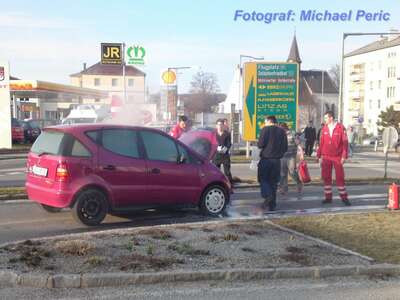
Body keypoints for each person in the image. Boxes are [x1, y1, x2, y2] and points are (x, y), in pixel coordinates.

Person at [317, 111, 351, 206]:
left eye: (326, 118)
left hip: (337, 157)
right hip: (326, 156)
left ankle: (344, 198)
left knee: (340, 177)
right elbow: (321, 143)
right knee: (326, 177)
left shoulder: (340, 128)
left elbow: (345, 143)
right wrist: (319, 156)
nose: (325, 120)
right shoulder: (324, 128)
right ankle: (328, 197)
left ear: (331, 118)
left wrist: (344, 156)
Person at [257, 115, 288, 211]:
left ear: (269, 121)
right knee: (273, 182)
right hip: (277, 160)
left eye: (265, 122)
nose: (265, 124)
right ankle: (272, 205)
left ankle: (268, 195)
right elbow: (285, 147)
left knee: (263, 179)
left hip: (266, 159)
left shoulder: (265, 130)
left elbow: (260, 144)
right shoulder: (282, 131)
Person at [278, 123, 304, 196]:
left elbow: (298, 144)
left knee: (292, 172)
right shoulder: (279, 135)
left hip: (291, 156)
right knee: (283, 174)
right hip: (282, 156)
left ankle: (299, 182)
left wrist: (301, 153)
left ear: (285, 128)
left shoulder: (292, 134)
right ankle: (284, 188)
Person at [213, 119, 233, 184]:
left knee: (227, 172)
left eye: (221, 125)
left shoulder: (227, 134)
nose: (220, 126)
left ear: (223, 126)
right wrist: (216, 148)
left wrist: (225, 149)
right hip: (216, 156)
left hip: (225, 156)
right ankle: (216, 184)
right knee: (215, 172)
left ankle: (229, 185)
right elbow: (212, 143)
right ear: (216, 126)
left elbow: (229, 144)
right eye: (218, 125)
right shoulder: (214, 134)